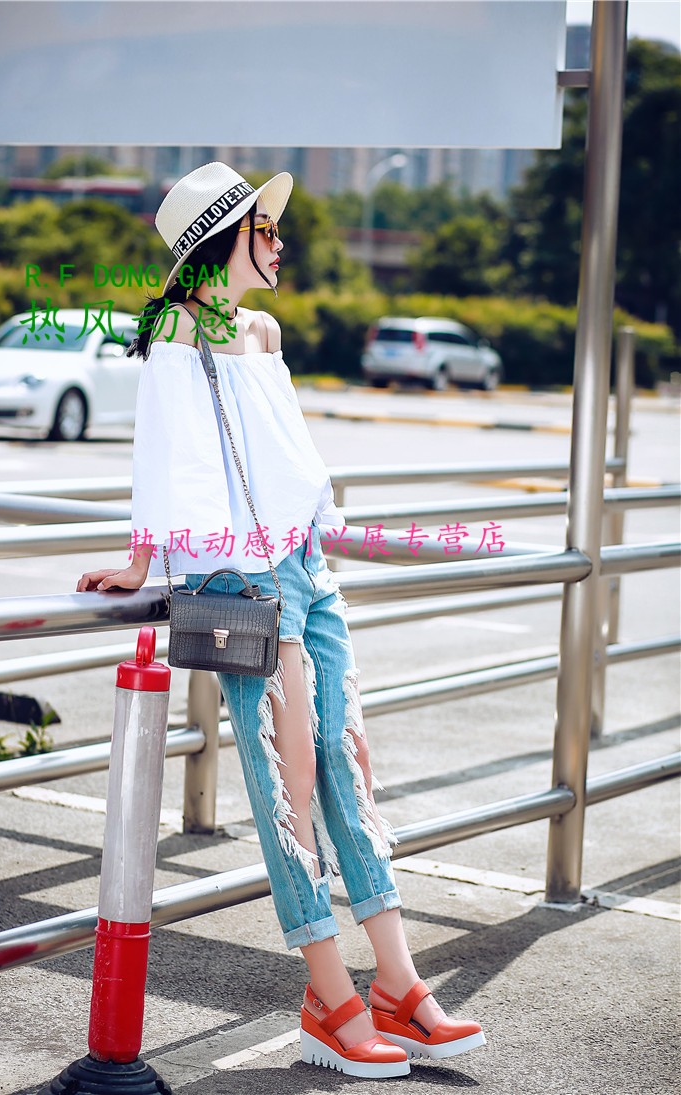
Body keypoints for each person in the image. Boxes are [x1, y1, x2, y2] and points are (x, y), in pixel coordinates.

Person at [77, 161, 485, 1077]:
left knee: (346, 757)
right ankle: (330, 998)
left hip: (304, 561)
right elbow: (163, 455)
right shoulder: (177, 330)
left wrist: (320, 538)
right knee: (288, 776)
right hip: (241, 574)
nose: (280, 240)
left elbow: (288, 453)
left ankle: (398, 983)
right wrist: (141, 562)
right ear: (225, 240)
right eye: (265, 228)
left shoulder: (262, 330)